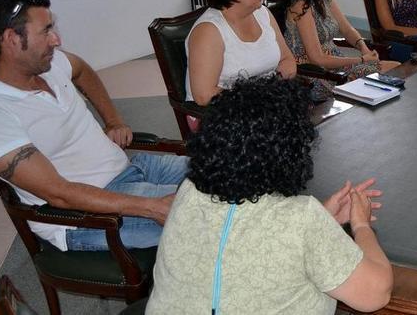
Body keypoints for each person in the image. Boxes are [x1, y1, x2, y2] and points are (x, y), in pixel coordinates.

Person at [147, 76, 393, 314]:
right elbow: (375, 294)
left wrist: (324, 219)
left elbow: (244, 237)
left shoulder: (188, 191)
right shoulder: (302, 218)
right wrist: (361, 226)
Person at [0, 0, 187, 251]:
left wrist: (113, 120)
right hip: (89, 217)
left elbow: (82, 69)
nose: (56, 39)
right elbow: (58, 193)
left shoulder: (49, 65)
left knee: (235, 170)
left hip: (132, 168)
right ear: (11, 39)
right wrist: (151, 207)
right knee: (216, 217)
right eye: (46, 31)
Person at [279, 0, 400, 100]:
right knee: (387, 73)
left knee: (395, 68)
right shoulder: (300, 4)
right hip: (316, 75)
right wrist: (361, 60)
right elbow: (317, 58)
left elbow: (347, 29)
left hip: (335, 67)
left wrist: (364, 48)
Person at [186, 0, 296, 106]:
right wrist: (258, 97)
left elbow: (287, 60)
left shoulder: (263, 13)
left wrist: (273, 89)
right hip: (225, 113)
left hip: (263, 103)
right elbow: (204, 96)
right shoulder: (209, 31)